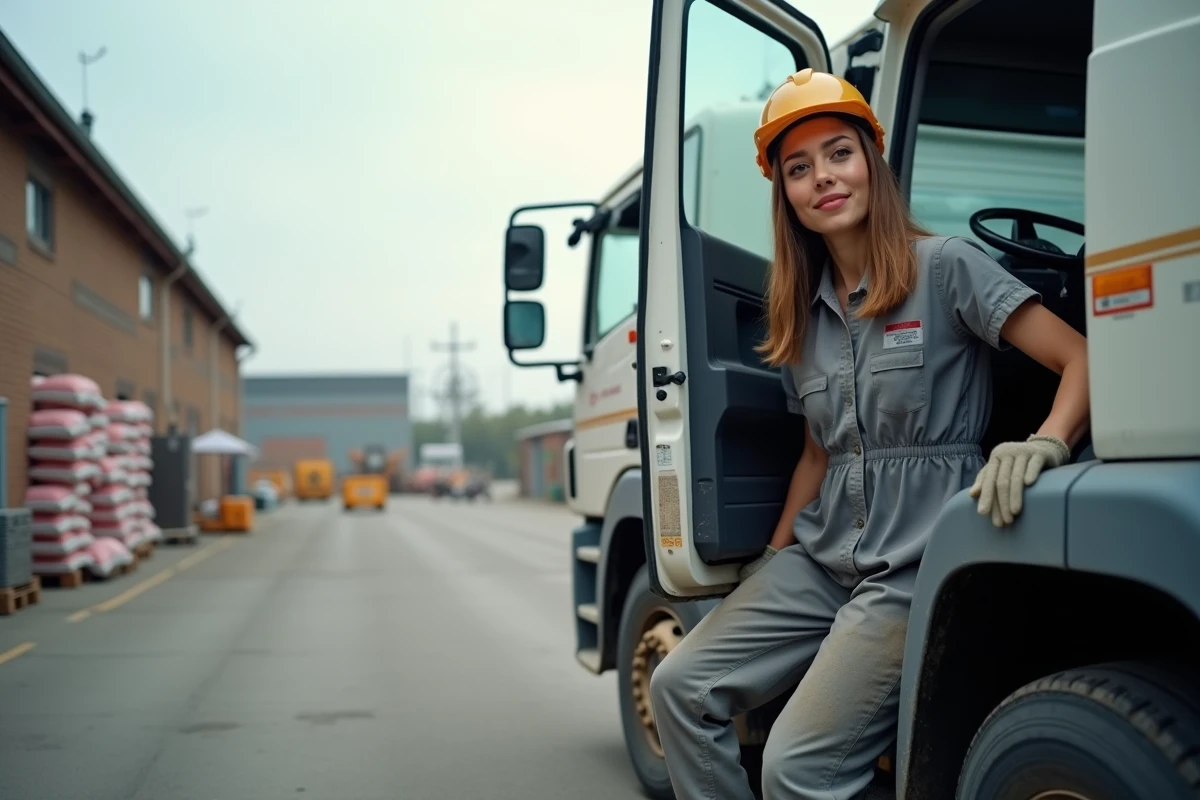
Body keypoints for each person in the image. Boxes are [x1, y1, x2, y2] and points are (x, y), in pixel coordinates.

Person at [648, 69, 1090, 800]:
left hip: (916, 561)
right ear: (784, 193)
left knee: (797, 768)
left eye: (839, 153)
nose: (822, 176)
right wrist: (774, 553)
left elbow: (1079, 358)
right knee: (678, 687)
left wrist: (1046, 440)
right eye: (798, 168)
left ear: (872, 163)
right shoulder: (800, 316)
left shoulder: (944, 267)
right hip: (823, 560)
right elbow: (818, 454)